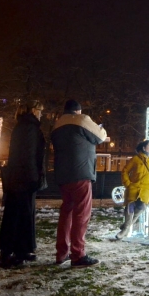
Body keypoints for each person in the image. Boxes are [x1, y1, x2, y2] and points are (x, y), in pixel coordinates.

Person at [51, 99, 108, 267]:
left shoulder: (57, 125)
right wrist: (100, 127)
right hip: (81, 173)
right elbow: (100, 136)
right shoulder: (81, 120)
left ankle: (61, 253)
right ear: (78, 111)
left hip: (63, 175)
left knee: (66, 213)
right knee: (81, 214)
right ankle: (78, 254)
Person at [0, 100, 47, 269]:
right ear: (34, 110)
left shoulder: (23, 126)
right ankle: (11, 253)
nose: (42, 113)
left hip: (18, 178)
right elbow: (30, 156)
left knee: (19, 214)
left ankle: (20, 250)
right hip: (24, 178)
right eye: (40, 110)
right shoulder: (30, 128)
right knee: (20, 215)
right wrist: (35, 178)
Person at [115, 140, 149, 239]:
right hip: (133, 187)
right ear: (144, 148)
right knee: (130, 205)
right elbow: (125, 171)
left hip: (148, 189)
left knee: (141, 206)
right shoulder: (136, 159)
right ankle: (126, 229)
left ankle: (126, 227)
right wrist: (128, 184)